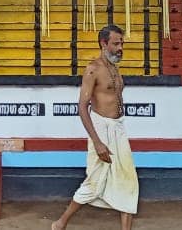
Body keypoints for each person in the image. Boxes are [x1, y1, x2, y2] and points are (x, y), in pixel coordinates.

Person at [52, 25, 138, 230]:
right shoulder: (93, 69)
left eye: (122, 43)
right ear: (103, 43)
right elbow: (82, 107)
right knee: (94, 182)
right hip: (101, 129)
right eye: (116, 43)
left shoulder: (114, 69)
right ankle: (61, 223)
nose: (120, 48)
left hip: (118, 128)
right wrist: (97, 142)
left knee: (129, 180)